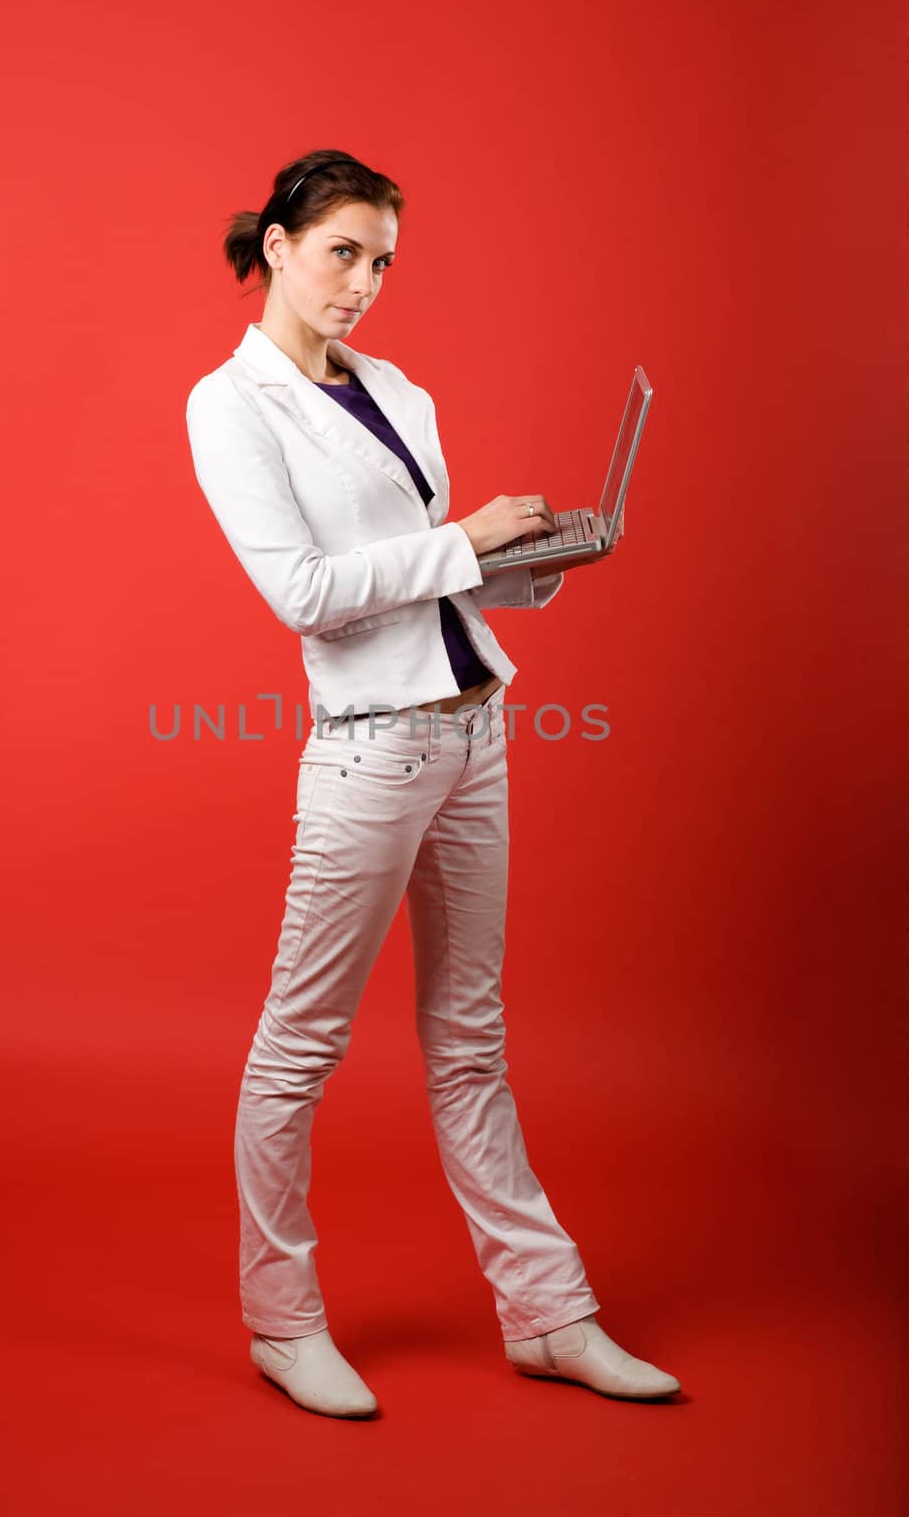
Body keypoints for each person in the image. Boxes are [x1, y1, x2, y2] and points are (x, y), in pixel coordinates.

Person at [185, 149, 681, 1418]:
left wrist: (538, 556)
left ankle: (547, 1314)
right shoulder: (228, 405)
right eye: (342, 251)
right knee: (300, 1047)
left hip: (477, 735)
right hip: (367, 750)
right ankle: (281, 1319)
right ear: (280, 245)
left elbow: (427, 581)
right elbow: (305, 594)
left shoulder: (398, 390)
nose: (362, 284)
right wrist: (462, 537)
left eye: (382, 261)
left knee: (471, 1042)